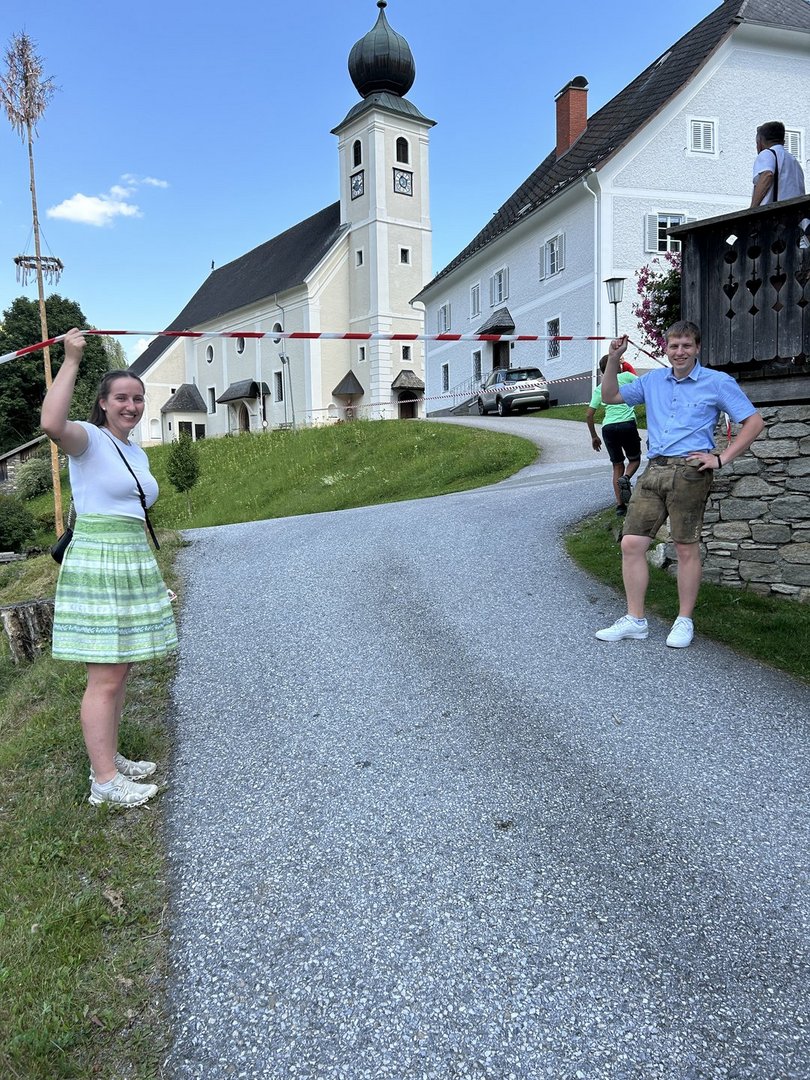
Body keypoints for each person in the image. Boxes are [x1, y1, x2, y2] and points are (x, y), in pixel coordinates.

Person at [41, 328, 178, 807]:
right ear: (103, 403)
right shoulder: (89, 439)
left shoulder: (136, 451)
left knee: (120, 672)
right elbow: (51, 423)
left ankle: (110, 758)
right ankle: (104, 783)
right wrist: (71, 359)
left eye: (138, 398)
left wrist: (150, 581)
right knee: (105, 677)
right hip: (100, 560)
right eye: (121, 397)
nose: (132, 406)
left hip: (130, 558)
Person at [595, 321, 763, 648]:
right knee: (631, 543)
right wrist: (614, 359)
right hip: (654, 469)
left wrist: (721, 458)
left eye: (686, 345)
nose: (680, 352)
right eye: (674, 346)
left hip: (690, 472)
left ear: (697, 348)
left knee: (685, 547)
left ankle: (684, 620)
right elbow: (610, 396)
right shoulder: (653, 381)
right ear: (666, 349)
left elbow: (754, 422)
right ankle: (635, 620)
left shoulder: (717, 382)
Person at [586, 355, 642, 516]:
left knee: (617, 465)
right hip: (627, 424)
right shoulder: (627, 376)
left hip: (608, 428)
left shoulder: (600, 388)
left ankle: (620, 507)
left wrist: (594, 437)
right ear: (618, 366)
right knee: (634, 459)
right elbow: (643, 386)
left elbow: (589, 415)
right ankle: (626, 478)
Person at [750, 121, 805, 207]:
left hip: (774, 212)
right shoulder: (795, 162)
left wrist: (752, 208)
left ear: (760, 142)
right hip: (797, 213)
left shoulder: (767, 153)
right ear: (783, 142)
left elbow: (767, 175)